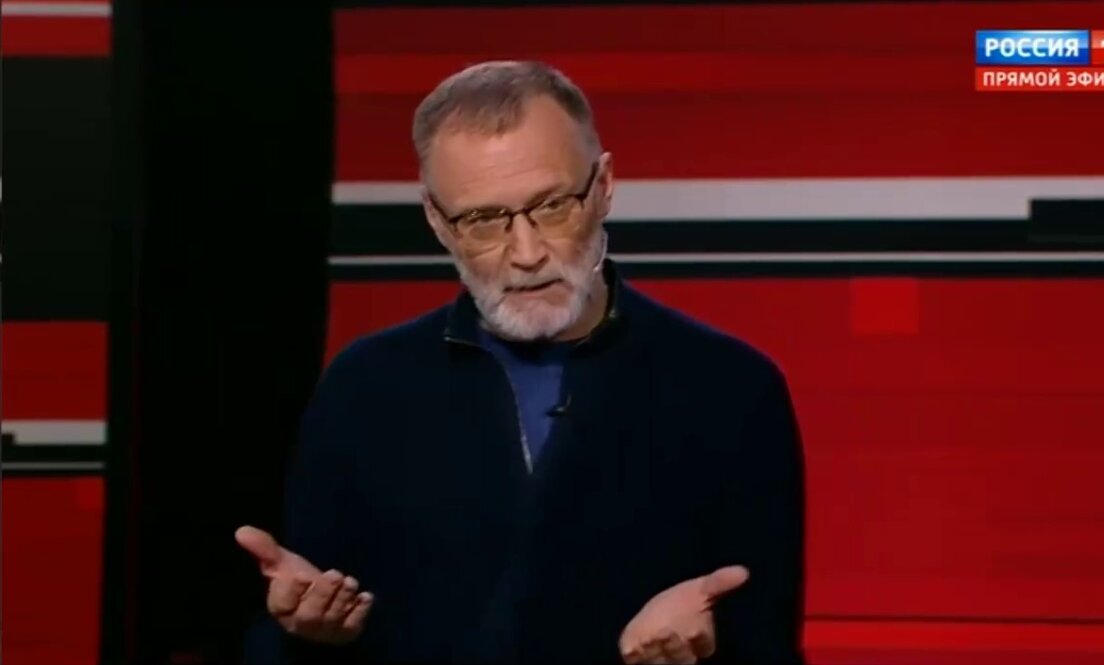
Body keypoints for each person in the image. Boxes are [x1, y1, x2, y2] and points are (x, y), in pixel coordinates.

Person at [236, 60, 805, 665]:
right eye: (484, 220)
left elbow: (767, 643)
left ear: (604, 186)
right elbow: (300, 624)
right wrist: (307, 636)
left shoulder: (731, 389)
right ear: (437, 221)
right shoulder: (365, 387)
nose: (527, 252)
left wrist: (700, 654)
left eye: (554, 206)